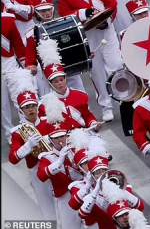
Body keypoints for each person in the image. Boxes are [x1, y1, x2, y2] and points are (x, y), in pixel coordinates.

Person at [56, 0, 120, 122]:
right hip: (87, 34)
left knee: (116, 65)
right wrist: (85, 14)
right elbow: (64, 14)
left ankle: (123, 97)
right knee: (97, 71)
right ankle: (106, 105)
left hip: (107, 28)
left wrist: (105, 20)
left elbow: (112, 3)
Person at [7, 69, 56, 220]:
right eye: (27, 107)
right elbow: (13, 159)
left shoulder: (50, 121)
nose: (31, 110)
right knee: (47, 207)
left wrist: (49, 139)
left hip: (55, 164)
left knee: (64, 201)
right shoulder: (18, 132)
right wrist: (28, 145)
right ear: (21, 110)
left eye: (33, 106)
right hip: (36, 170)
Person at [36, 38, 99, 131]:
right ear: (50, 84)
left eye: (61, 79)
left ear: (65, 79)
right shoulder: (44, 105)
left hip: (85, 135)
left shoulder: (80, 95)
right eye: (56, 82)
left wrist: (94, 123)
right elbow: (45, 128)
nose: (60, 83)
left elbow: (88, 116)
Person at [36, 115, 82, 228]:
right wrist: (58, 162)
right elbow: (41, 176)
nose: (60, 140)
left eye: (62, 136)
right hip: (64, 198)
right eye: (56, 137)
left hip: (81, 194)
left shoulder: (77, 149)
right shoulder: (47, 157)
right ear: (50, 140)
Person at [1, 0, 29, 139]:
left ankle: (27, 129)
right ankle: (10, 134)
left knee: (18, 97)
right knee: (2, 104)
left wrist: (26, 65)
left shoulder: (7, 20)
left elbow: (18, 45)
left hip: (10, 62)